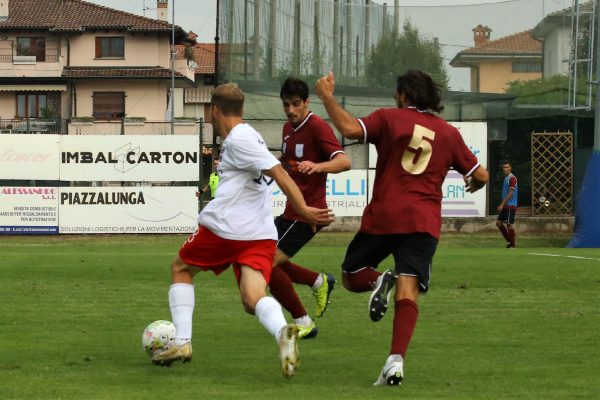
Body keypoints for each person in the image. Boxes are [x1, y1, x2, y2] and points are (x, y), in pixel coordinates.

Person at [315, 70, 489, 386]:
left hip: (386, 214)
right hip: (423, 221)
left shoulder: (389, 118)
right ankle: (395, 361)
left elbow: (350, 128)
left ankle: (380, 279)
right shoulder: (448, 133)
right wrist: (473, 185)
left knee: (351, 275)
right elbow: (482, 175)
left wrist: (326, 97)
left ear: (404, 95)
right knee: (409, 290)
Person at [151, 83, 335, 380]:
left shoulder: (241, 139)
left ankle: (182, 342)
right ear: (242, 109)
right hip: (259, 234)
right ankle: (282, 332)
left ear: (214, 110)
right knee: (252, 299)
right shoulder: (247, 137)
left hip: (227, 229)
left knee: (180, 268)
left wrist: (302, 210)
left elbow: (280, 173)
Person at [269, 77, 352, 339]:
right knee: (256, 256)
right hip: (290, 211)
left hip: (308, 213)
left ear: (306, 102)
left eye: (296, 104)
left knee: (264, 264)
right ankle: (318, 281)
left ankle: (304, 320)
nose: (291, 110)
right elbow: (287, 161)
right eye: (286, 105)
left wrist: (318, 166)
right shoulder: (287, 128)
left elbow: (344, 161)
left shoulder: (317, 126)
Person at [496, 160, 518, 248]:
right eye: (504, 167)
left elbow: (511, 193)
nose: (505, 169)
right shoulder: (506, 178)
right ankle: (510, 241)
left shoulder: (512, 178)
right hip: (506, 205)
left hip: (510, 205)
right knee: (498, 223)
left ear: (510, 168)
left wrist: (502, 204)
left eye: (507, 167)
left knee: (509, 225)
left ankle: (512, 245)